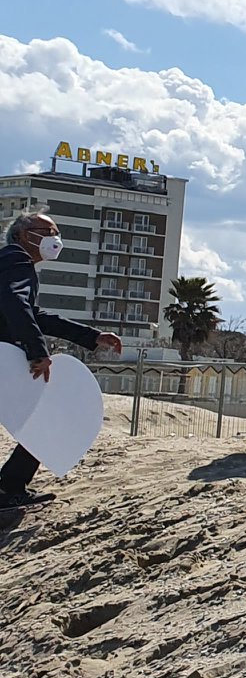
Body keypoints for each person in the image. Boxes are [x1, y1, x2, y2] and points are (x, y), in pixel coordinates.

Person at [0, 213, 123, 508]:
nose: (54, 239)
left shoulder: (11, 262)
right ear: (22, 235)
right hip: (7, 357)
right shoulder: (16, 260)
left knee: (46, 413)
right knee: (55, 411)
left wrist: (91, 336)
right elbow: (16, 304)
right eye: (46, 231)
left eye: (56, 232)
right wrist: (37, 352)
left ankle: (9, 485)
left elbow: (35, 314)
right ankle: (9, 487)